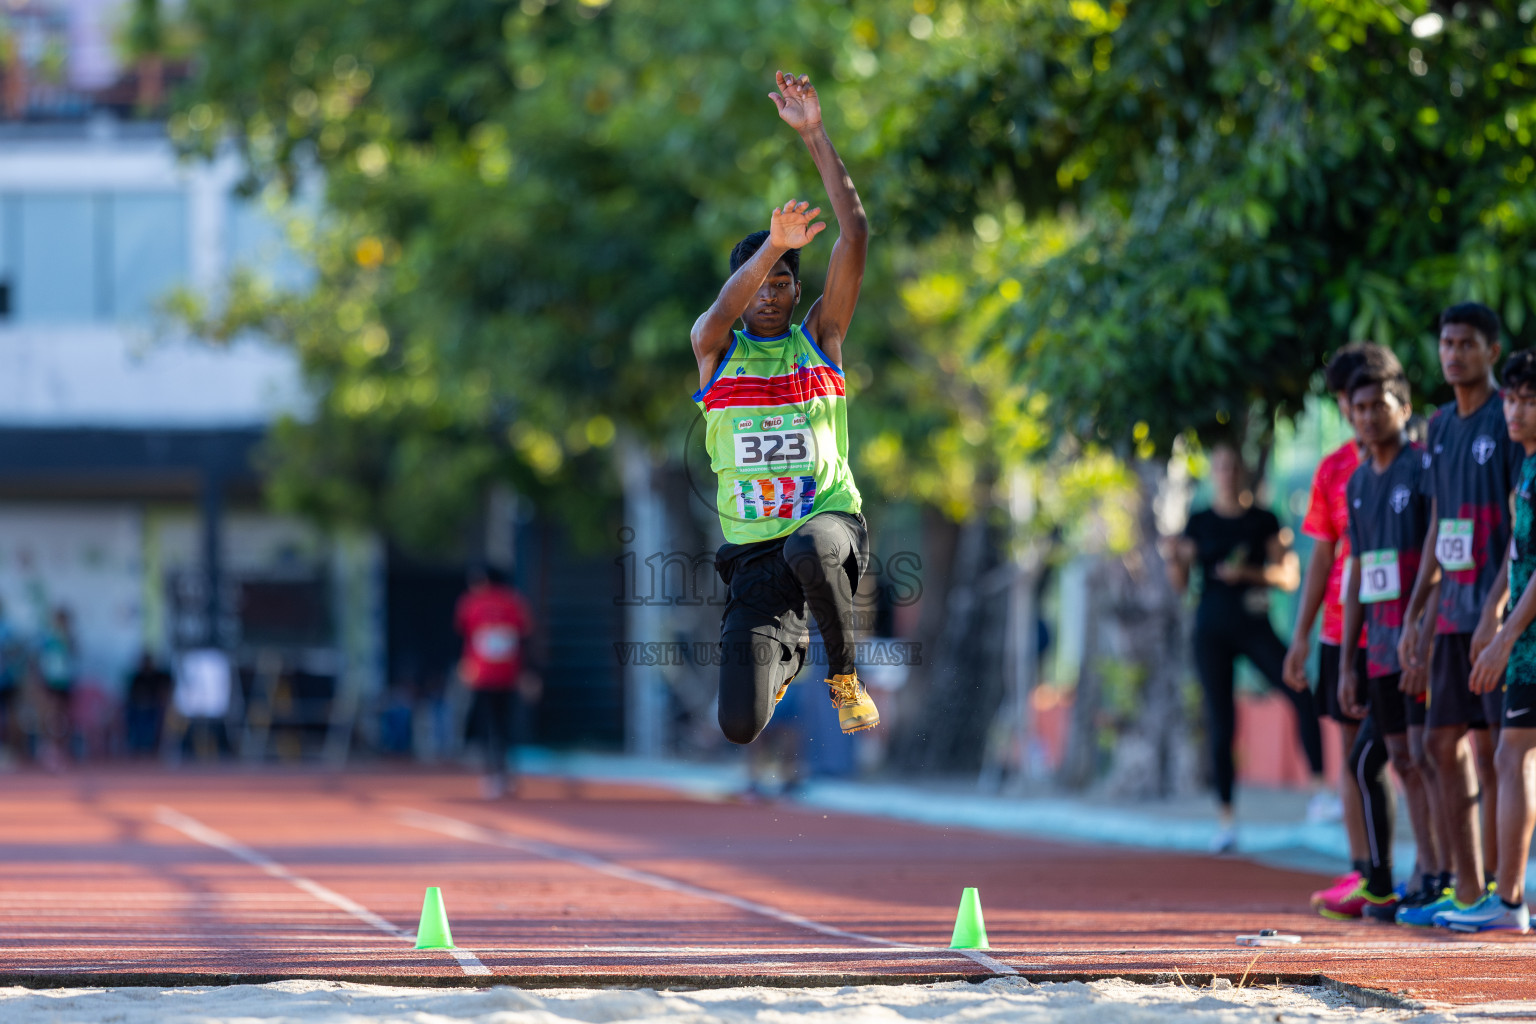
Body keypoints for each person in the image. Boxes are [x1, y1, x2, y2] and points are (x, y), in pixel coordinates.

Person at [690, 71, 877, 742]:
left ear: (797, 293)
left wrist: (815, 135)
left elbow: (854, 235)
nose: (770, 293)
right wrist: (775, 244)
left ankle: (846, 678)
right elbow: (719, 312)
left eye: (783, 282)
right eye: (758, 283)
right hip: (753, 561)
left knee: (810, 540)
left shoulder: (821, 341)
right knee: (739, 724)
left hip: (829, 529)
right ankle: (790, 648)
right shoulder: (715, 348)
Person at [1396, 303, 1520, 924]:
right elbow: (1441, 525)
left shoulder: (1511, 419)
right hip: (1449, 613)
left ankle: (1504, 891)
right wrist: (1419, 610)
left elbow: (1522, 526)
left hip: (1495, 615)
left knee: (1503, 746)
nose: (1453, 353)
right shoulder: (1439, 427)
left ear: (1491, 351)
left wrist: (1495, 609)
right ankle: (1466, 889)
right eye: (1446, 342)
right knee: (1441, 743)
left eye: (1466, 343)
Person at [1318, 365, 1440, 919]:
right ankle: (1391, 880)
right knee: (1384, 759)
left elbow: (1440, 557)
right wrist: (1349, 663)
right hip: (1379, 648)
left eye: (1379, 405)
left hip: (1424, 644)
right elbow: (1359, 575)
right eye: (1359, 407)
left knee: (1419, 758)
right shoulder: (1358, 483)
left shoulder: (1422, 470)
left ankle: (1436, 876)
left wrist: (1424, 627)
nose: (1368, 416)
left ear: (1403, 409)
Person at [1284, 343, 1403, 908]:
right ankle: (1362, 872)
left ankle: (1423, 872)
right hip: (1338, 631)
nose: (1352, 412)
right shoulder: (1333, 469)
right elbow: (1321, 557)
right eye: (1343, 401)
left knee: (1411, 753)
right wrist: (1302, 634)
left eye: (1359, 399)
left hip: (1397, 627)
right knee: (1352, 754)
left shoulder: (1412, 459)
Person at [1165, 444, 1324, 853]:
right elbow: (1180, 585)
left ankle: (1321, 793)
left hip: (1254, 626)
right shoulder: (1198, 522)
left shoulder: (1264, 519)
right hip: (1211, 630)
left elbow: (1288, 576)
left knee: (1300, 691)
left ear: (1244, 472)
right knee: (1222, 721)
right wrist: (1175, 559)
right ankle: (1226, 819)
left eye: (1234, 466)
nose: (1227, 473)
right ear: (1212, 473)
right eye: (1220, 466)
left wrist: (1248, 573)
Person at [1438, 349, 1536, 934]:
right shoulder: (1525, 466)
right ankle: (1509, 899)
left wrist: (1506, 636)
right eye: (1513, 399)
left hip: (1528, 638)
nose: (1516, 411)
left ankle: (1510, 899)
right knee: (1509, 753)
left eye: (1529, 401)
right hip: (1519, 632)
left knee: (1511, 753)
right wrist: (1492, 609)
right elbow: (1518, 552)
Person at [454, 564, 540, 799]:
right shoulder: (515, 602)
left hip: (483, 674)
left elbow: (466, 637)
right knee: (503, 724)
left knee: (488, 725)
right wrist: (528, 672)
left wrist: (466, 666)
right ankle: (503, 774)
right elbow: (526, 638)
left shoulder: (472, 604)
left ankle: (494, 773)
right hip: (508, 674)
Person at [35, 606, 77, 769]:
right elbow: (41, 658)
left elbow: (74, 653)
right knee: (51, 714)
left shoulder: (68, 637)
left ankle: (61, 749)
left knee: (63, 716)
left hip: (64, 681)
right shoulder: (48, 637)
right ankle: (50, 750)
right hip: (51, 680)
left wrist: (67, 638)